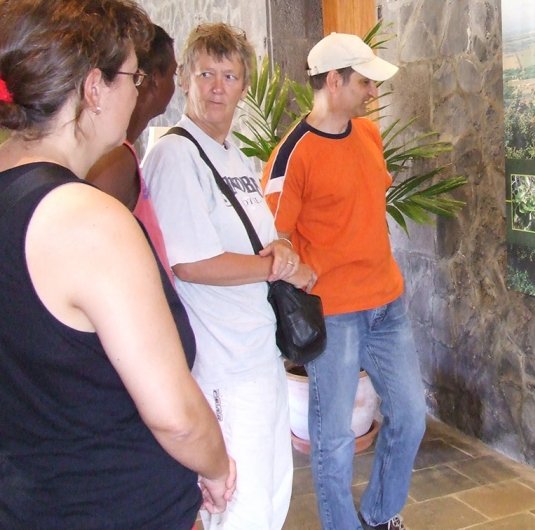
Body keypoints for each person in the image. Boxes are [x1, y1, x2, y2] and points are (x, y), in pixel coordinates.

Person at [0, 1, 235, 528]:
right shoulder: (88, 222)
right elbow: (174, 417)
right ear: (92, 88)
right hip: (116, 506)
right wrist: (217, 467)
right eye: (132, 75)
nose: (138, 91)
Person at [142, 22, 314, 530]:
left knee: (271, 491)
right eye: (206, 74)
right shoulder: (175, 155)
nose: (218, 87)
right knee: (238, 506)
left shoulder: (231, 153)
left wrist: (280, 247)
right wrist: (275, 267)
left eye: (230, 75)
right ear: (185, 82)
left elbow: (256, 233)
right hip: (222, 366)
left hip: (257, 352)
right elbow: (190, 262)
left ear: (244, 84)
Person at [262, 32, 427, 530]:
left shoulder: (369, 136)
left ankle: (379, 516)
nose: (372, 93)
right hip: (333, 314)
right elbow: (272, 239)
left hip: (387, 305)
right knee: (332, 438)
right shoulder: (292, 154)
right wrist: (298, 266)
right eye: (363, 82)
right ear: (333, 82)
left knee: (411, 416)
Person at [86, 24, 177, 279]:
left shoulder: (124, 150)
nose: (175, 86)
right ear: (154, 79)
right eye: (173, 75)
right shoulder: (115, 158)